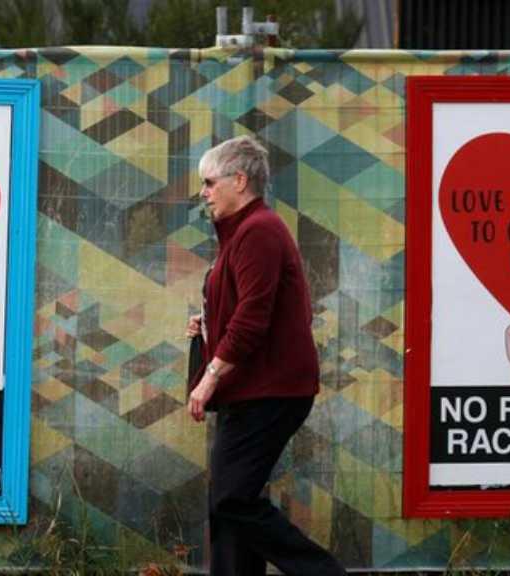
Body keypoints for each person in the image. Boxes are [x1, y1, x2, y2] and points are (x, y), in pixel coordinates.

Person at [185, 135, 345, 575]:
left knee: (232, 499)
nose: (204, 192)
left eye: (210, 182)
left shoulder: (259, 231)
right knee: (235, 502)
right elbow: (245, 306)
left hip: (270, 391)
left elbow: (254, 317)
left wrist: (210, 377)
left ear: (239, 180)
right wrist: (206, 323)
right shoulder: (241, 234)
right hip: (252, 389)